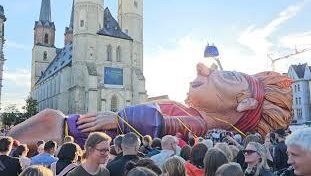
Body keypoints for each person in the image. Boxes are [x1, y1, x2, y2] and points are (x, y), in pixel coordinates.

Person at [8, 63, 293, 148]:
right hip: (83, 131)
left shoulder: (198, 121)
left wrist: (119, 118)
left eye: (227, 76)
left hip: (75, 131)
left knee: (49, 118)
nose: (204, 68)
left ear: (243, 103)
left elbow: (159, 121)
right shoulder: (194, 115)